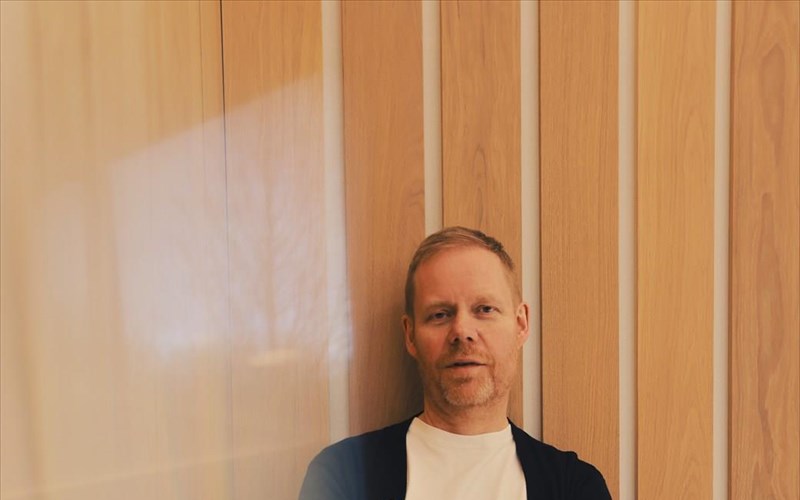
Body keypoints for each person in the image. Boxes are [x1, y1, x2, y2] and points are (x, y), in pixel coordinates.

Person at [299, 226, 611, 499]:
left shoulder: (575, 487)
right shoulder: (343, 475)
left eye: (484, 309)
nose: (462, 331)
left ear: (520, 324)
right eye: (440, 314)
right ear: (410, 335)